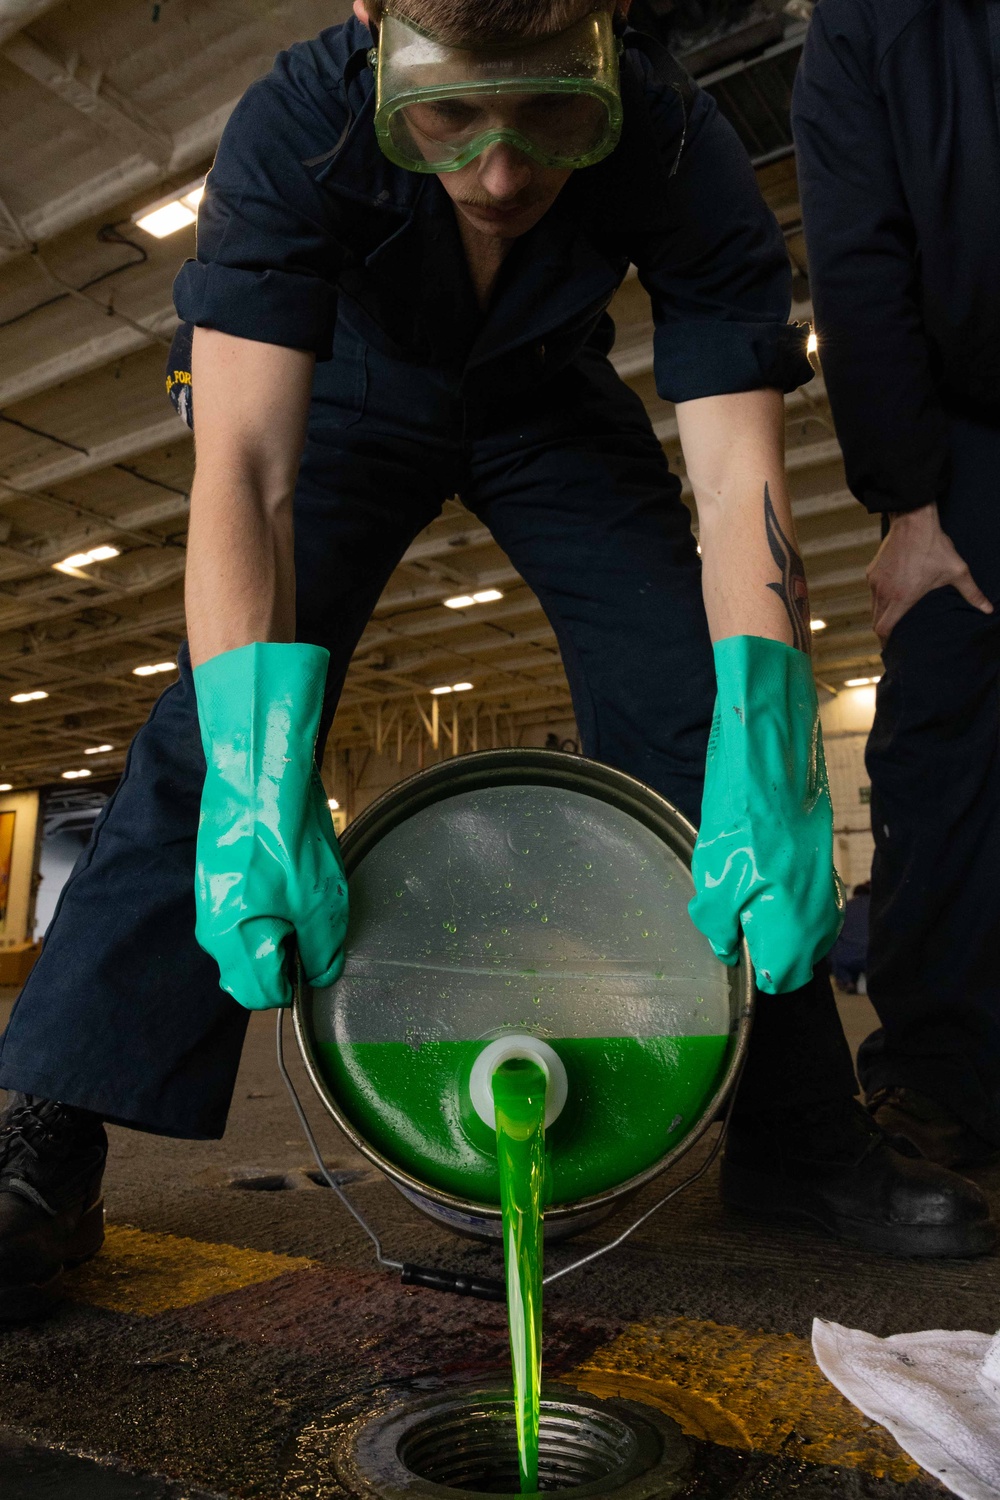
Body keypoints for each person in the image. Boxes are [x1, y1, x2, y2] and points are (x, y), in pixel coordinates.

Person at [0, 0, 992, 1324]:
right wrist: (257, 774)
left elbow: (737, 467)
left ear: (613, 28)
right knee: (214, 727)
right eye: (449, 117)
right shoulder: (299, 125)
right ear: (372, 19)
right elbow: (244, 470)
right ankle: (46, 1140)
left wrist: (769, 733)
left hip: (545, 404)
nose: (503, 173)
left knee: (697, 706)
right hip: (346, 394)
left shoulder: (676, 136)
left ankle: (799, 1134)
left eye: (549, 114)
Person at [794, 0, 1000, 1170]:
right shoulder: (866, 24)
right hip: (973, 433)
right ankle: (940, 1078)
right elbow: (856, 256)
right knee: (939, 742)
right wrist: (908, 506)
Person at [830, 881, 870, 995]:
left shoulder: (845, 908)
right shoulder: (876, 907)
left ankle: (846, 981)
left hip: (847, 957)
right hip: (873, 956)